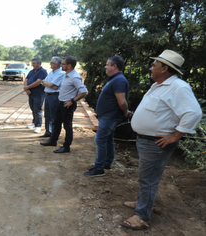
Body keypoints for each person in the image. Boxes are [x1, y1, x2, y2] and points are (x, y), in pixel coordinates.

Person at [121, 50, 202, 230]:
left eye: (154, 65)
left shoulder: (178, 87)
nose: (151, 68)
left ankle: (142, 216)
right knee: (146, 178)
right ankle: (144, 202)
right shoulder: (160, 85)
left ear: (164, 68)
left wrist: (175, 136)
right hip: (146, 141)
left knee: (148, 180)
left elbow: (194, 113)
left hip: (155, 143)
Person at [85, 56, 132, 177]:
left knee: (100, 140)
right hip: (107, 116)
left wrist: (125, 111)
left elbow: (121, 102)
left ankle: (99, 168)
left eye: (107, 64)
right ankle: (106, 163)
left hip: (110, 116)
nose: (105, 67)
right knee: (108, 139)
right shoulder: (115, 79)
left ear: (114, 66)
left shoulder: (119, 81)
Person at [40, 56, 88, 153]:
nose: (61, 65)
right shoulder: (67, 75)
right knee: (56, 123)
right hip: (60, 103)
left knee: (67, 126)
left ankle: (66, 147)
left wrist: (72, 101)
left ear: (69, 66)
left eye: (63, 64)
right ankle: (53, 141)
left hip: (67, 105)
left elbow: (84, 92)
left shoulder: (75, 77)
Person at [40, 56, 65, 138]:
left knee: (54, 116)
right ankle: (48, 132)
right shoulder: (52, 72)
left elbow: (53, 85)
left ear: (56, 64)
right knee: (47, 115)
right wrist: (47, 84)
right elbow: (45, 82)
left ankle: (53, 135)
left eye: (51, 63)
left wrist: (47, 84)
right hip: (47, 95)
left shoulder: (61, 73)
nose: (50, 64)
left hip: (54, 96)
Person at [24, 57, 48, 133]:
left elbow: (38, 82)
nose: (32, 65)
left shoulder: (42, 71)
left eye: (34, 63)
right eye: (32, 63)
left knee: (38, 109)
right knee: (33, 109)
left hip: (39, 94)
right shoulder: (31, 71)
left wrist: (27, 87)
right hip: (31, 93)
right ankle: (34, 122)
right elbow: (26, 79)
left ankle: (38, 125)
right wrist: (26, 88)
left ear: (39, 63)